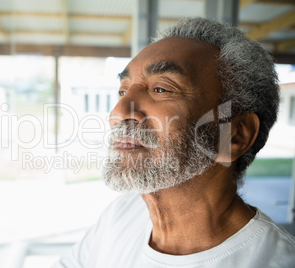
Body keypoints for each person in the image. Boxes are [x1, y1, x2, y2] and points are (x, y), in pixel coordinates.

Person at [53, 18, 295, 267]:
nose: (118, 112)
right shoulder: (122, 215)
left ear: (234, 135)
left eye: (161, 89)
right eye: (123, 91)